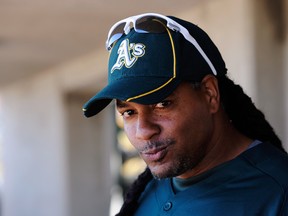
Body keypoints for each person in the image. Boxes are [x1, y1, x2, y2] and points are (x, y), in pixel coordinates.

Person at [82, 13, 288, 216]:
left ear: (210, 94)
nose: (143, 131)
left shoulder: (278, 191)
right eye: (128, 112)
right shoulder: (146, 190)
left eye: (162, 104)